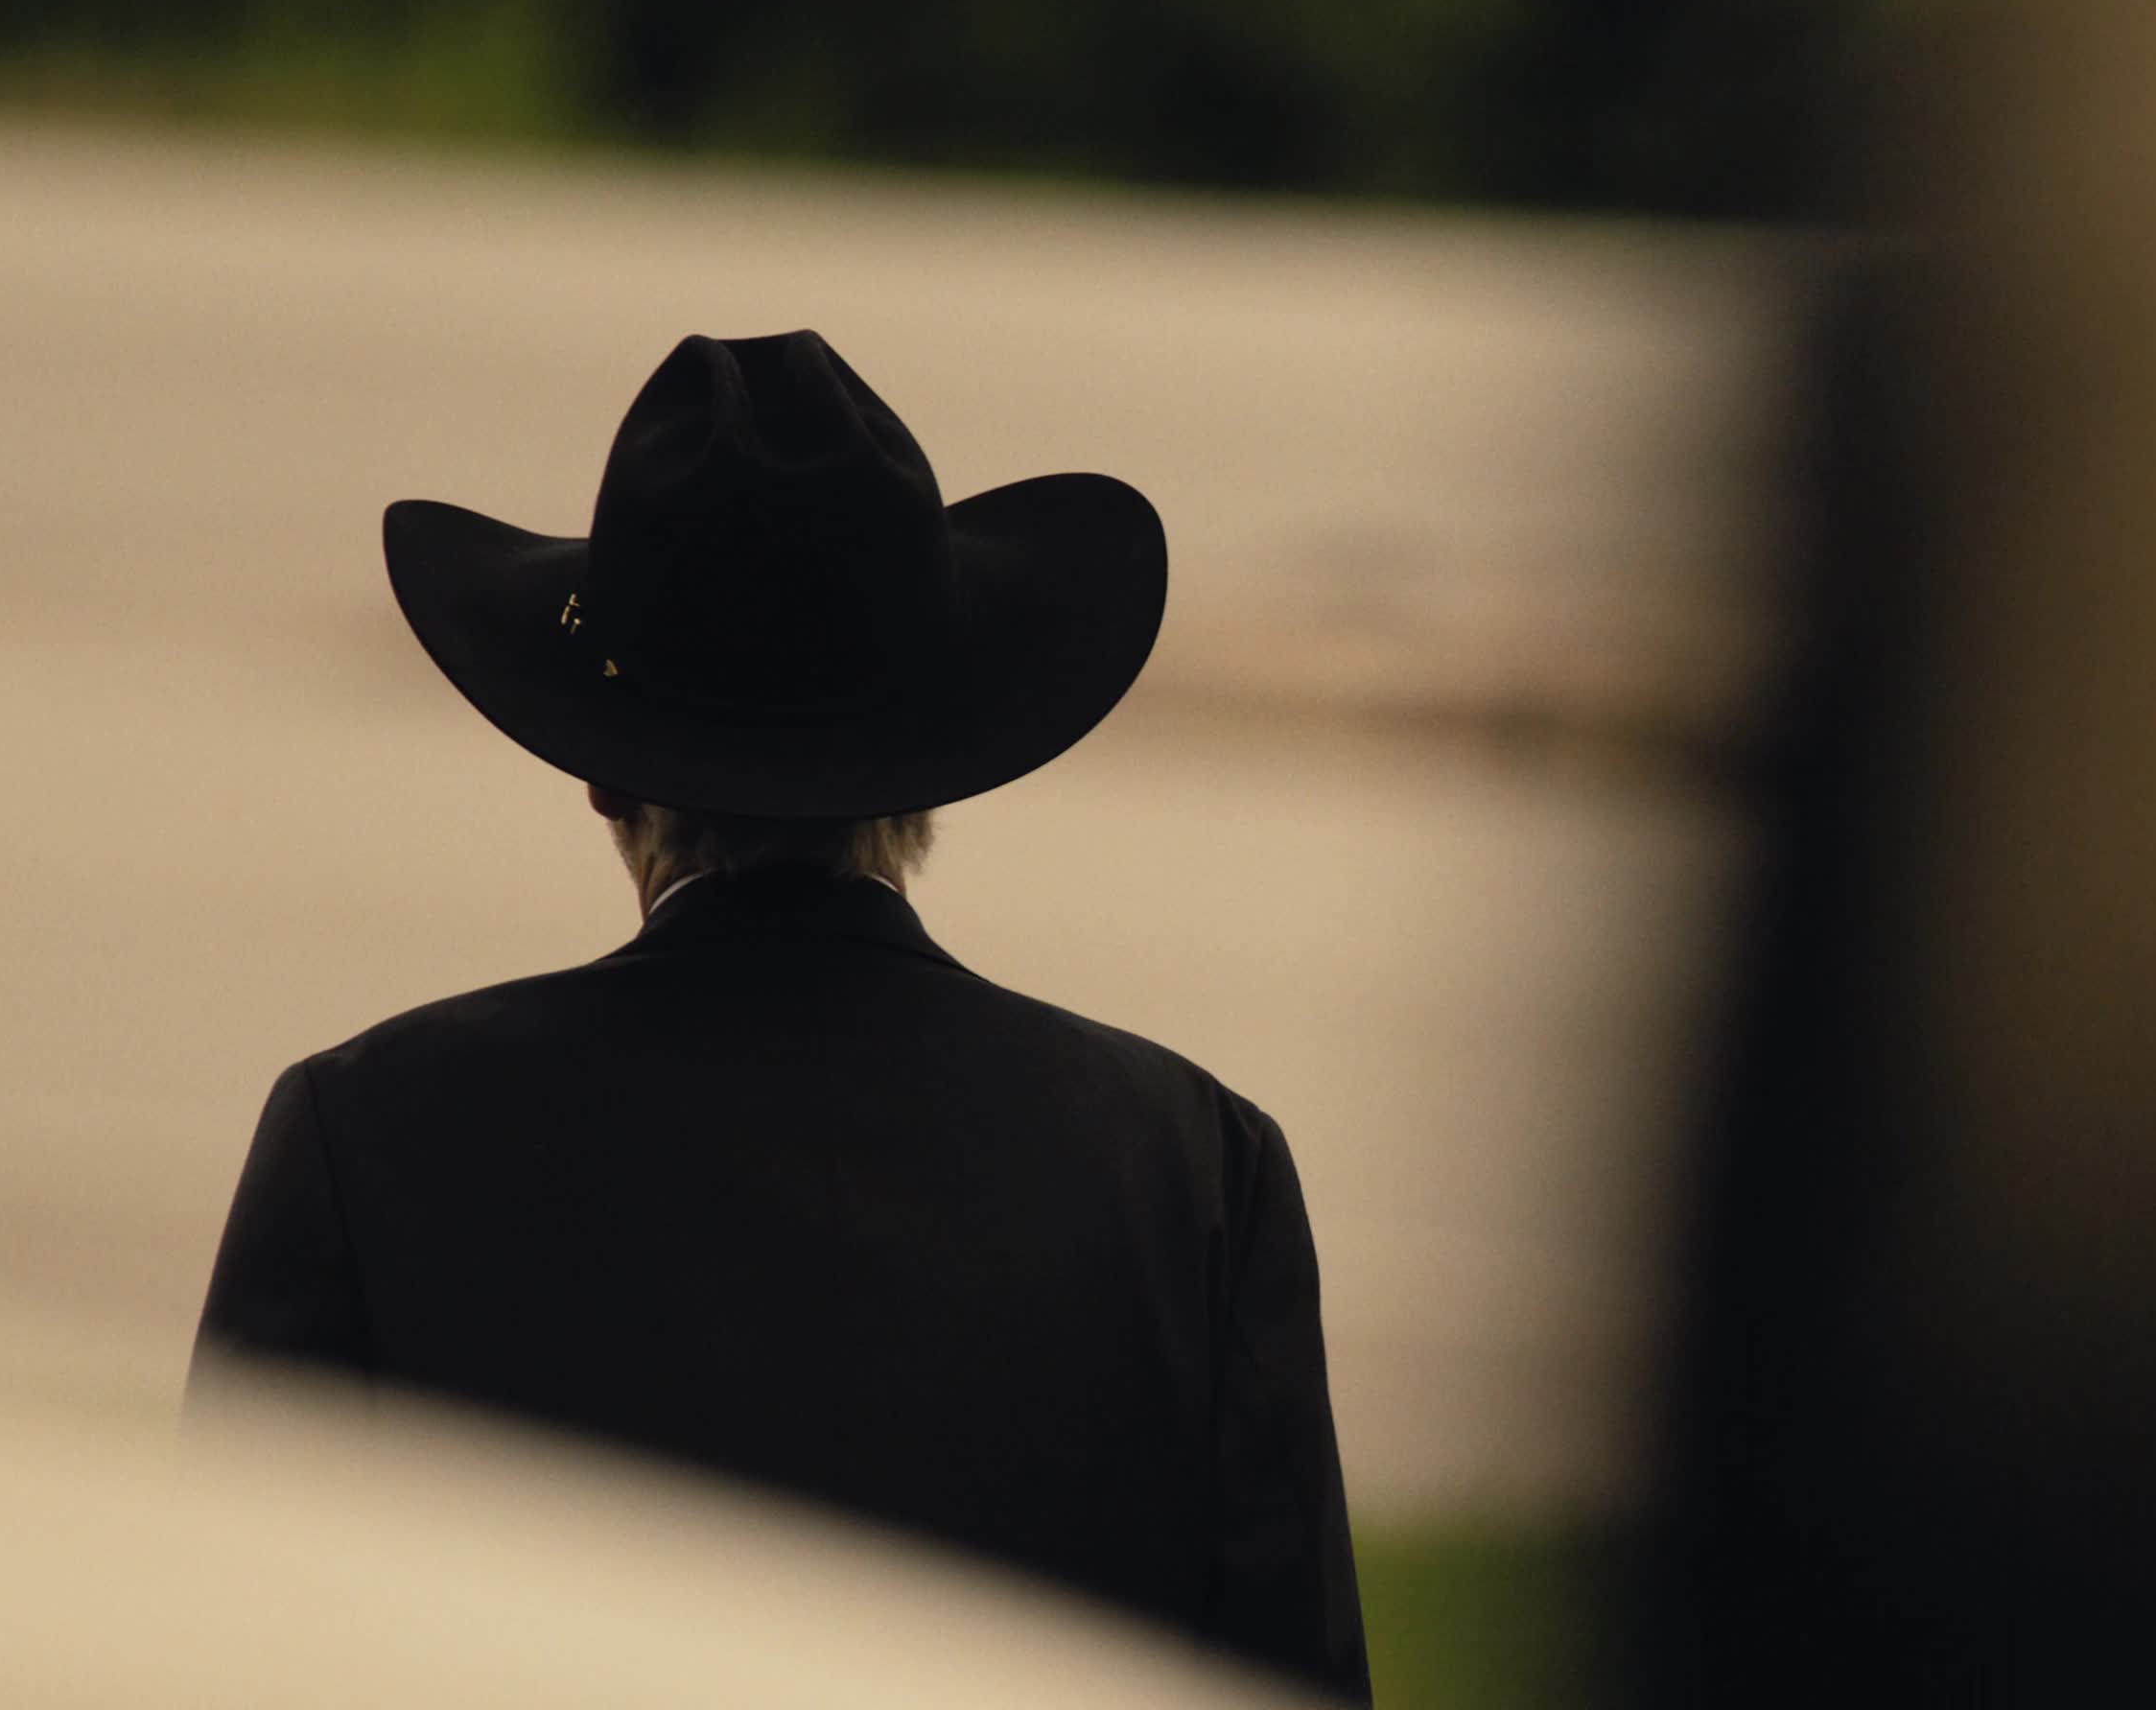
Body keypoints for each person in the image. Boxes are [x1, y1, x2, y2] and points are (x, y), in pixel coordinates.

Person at [192, 329, 1368, 1701]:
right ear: (936, 771)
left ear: (601, 777)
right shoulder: (1193, 1166)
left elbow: (224, 1650)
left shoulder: (366, 1131)